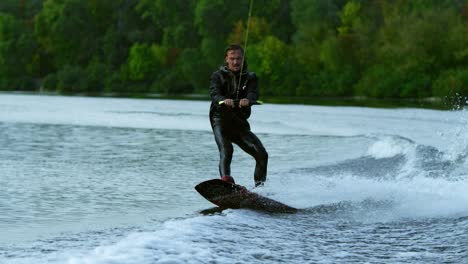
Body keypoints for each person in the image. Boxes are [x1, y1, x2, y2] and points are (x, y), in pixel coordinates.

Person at [209, 44, 268, 187]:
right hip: (220, 121)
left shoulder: (251, 77)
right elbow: (215, 94)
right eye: (232, 58)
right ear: (226, 59)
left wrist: (248, 100)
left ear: (243, 60)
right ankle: (226, 182)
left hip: (239, 123)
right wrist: (224, 100)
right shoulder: (217, 76)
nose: (235, 62)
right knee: (227, 149)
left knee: (262, 154)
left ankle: (260, 189)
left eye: (239, 59)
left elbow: (253, 93)